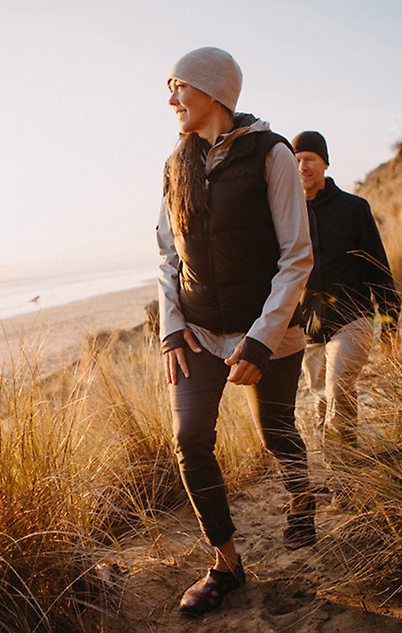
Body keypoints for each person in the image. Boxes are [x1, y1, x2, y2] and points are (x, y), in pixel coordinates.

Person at [157, 47, 314, 617]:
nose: (170, 99)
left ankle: (301, 498)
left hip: (265, 330)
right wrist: (171, 330)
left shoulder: (272, 154)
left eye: (179, 87)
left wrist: (260, 339)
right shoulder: (175, 165)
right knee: (190, 439)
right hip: (198, 332)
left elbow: (297, 257)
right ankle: (226, 563)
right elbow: (166, 256)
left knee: (275, 431)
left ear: (214, 92)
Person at [291, 131, 400, 471]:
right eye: (296, 160)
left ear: (325, 162)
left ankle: (344, 476)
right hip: (310, 329)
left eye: (309, 158)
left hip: (354, 319)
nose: (302, 166)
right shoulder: (288, 215)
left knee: (338, 389)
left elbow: (377, 267)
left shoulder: (353, 208)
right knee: (322, 401)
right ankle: (344, 465)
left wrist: (390, 322)